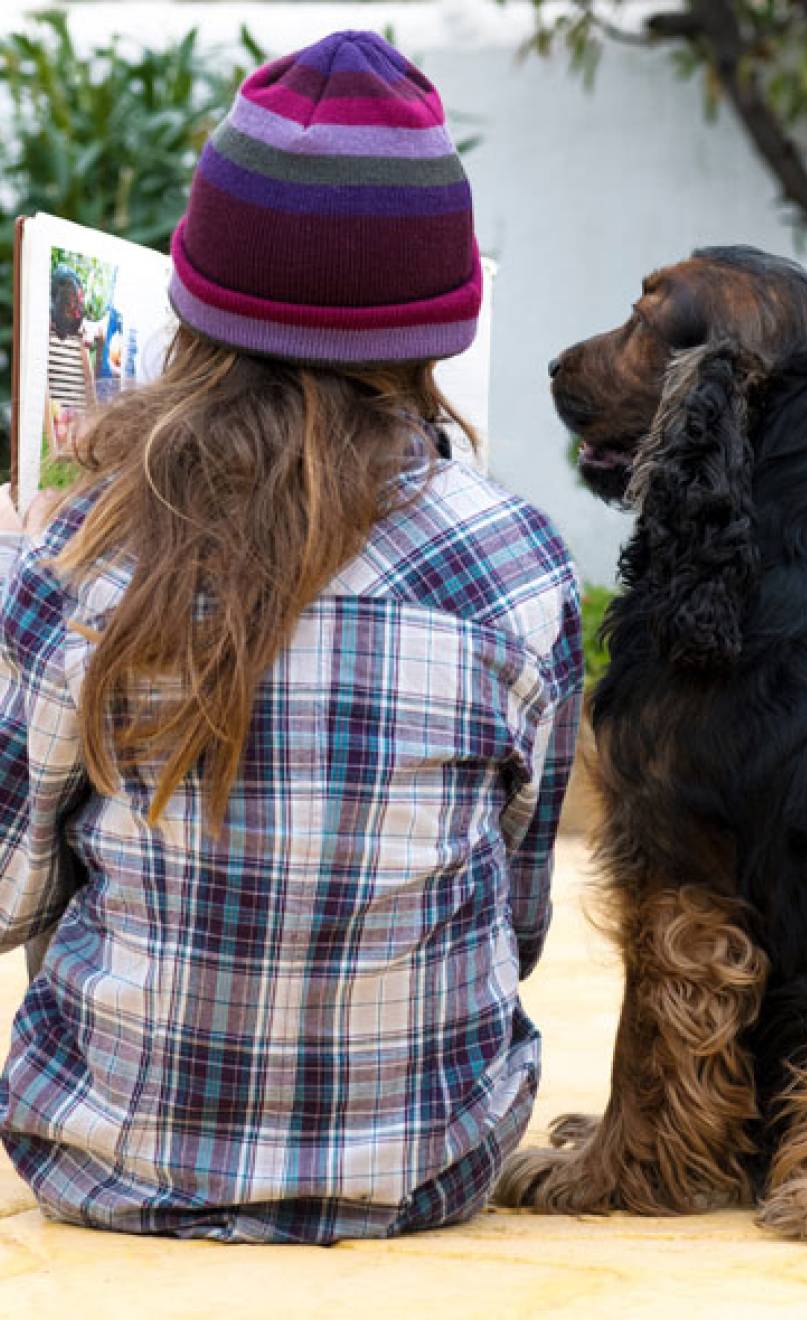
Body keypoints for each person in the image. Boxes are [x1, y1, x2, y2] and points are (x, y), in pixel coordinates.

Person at [0, 31, 582, 1244]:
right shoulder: (518, 560)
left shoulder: (86, 549)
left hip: (104, 1161)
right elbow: (516, 924)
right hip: (425, 1168)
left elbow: (8, 886)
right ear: (439, 328)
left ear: (196, 303)